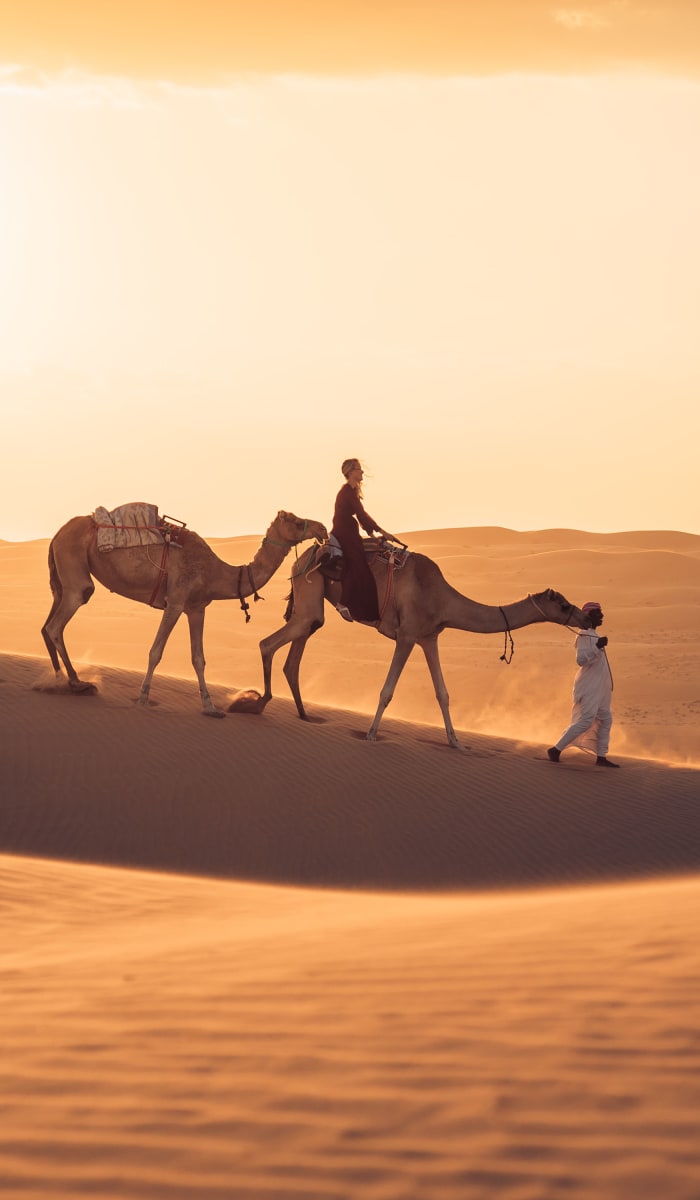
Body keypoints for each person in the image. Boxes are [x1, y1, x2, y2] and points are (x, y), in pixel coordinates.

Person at [547, 600, 620, 768]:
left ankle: (601, 757)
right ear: (587, 616)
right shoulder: (583, 635)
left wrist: (597, 645)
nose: (601, 616)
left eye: (601, 612)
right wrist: (597, 646)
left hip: (600, 688)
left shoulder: (592, 635)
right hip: (589, 686)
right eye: (597, 613)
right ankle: (556, 749)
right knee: (586, 720)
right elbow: (580, 660)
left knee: (606, 718)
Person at [330, 458, 397, 623]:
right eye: (359, 469)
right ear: (350, 472)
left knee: (363, 564)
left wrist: (372, 532)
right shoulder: (346, 492)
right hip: (343, 531)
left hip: (350, 530)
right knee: (357, 563)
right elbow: (361, 514)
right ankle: (343, 603)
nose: (362, 472)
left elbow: (361, 515)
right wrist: (381, 531)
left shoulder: (352, 491)